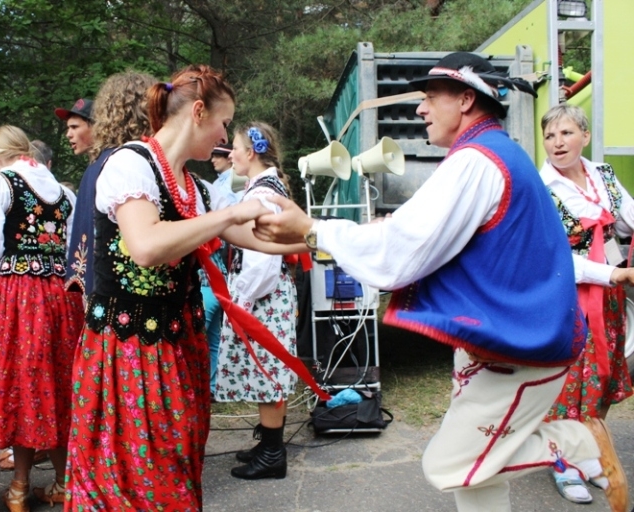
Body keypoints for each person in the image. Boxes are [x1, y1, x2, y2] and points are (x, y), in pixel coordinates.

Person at [253, 52, 629, 512]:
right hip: (504, 343)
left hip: (518, 350)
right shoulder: (489, 151)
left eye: (431, 97)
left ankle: (579, 441)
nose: (420, 109)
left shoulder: (477, 160)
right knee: (473, 484)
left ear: (467, 99)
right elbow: (418, 235)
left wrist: (314, 230)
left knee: (450, 466)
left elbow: (402, 248)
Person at [63, 64, 309, 511]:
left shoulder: (194, 187)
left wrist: (322, 235)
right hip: (129, 351)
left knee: (175, 465)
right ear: (198, 112)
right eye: (223, 122)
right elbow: (146, 247)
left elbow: (258, 238)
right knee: (132, 481)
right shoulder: (128, 164)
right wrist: (232, 214)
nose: (223, 134)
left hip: (179, 347)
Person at [0, 125, 83, 510]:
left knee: (21, 382)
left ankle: (19, 486)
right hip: (62, 295)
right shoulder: (64, 192)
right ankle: (64, 482)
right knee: (58, 381)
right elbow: (75, 252)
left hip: (17, 295)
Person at [539, 103, 634, 504]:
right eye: (549, 136)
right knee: (568, 383)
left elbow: (628, 218)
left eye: (565, 133)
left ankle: (589, 456)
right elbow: (554, 257)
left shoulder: (603, 175)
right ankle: (563, 463)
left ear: (585, 136)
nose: (557, 143)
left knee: (604, 376)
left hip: (610, 298)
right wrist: (612, 274)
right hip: (567, 298)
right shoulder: (542, 189)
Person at [214, 122, 297, 480]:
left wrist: (241, 300)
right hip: (266, 292)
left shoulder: (261, 194)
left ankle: (273, 454)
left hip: (264, 294)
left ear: (251, 153)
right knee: (266, 371)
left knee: (268, 373)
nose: (230, 154)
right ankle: (267, 445)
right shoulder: (263, 187)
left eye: (234, 147)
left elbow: (264, 259)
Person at [64, 71, 157, 296]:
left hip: (110, 292)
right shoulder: (121, 162)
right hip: (121, 292)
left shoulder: (113, 162)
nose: (68, 134)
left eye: (75, 127)